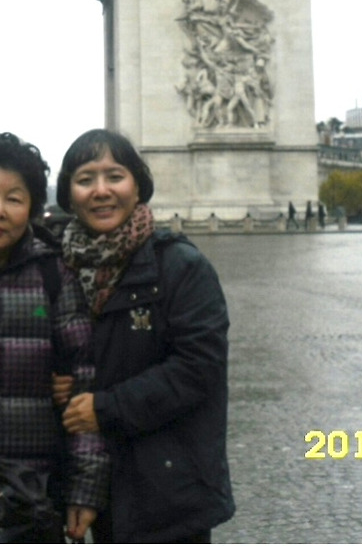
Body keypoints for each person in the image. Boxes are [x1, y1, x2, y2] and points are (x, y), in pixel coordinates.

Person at [57, 129, 234, 544]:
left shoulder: (182, 266)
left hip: (168, 493)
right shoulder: (58, 268)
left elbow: (198, 368)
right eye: (85, 179)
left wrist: (106, 407)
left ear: (138, 186)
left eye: (114, 176)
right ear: (68, 194)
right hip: (94, 486)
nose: (101, 190)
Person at [0, 132, 107, 543]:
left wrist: (85, 487)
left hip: (34, 494)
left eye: (15, 199)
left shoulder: (55, 276)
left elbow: (85, 384)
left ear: (32, 209)